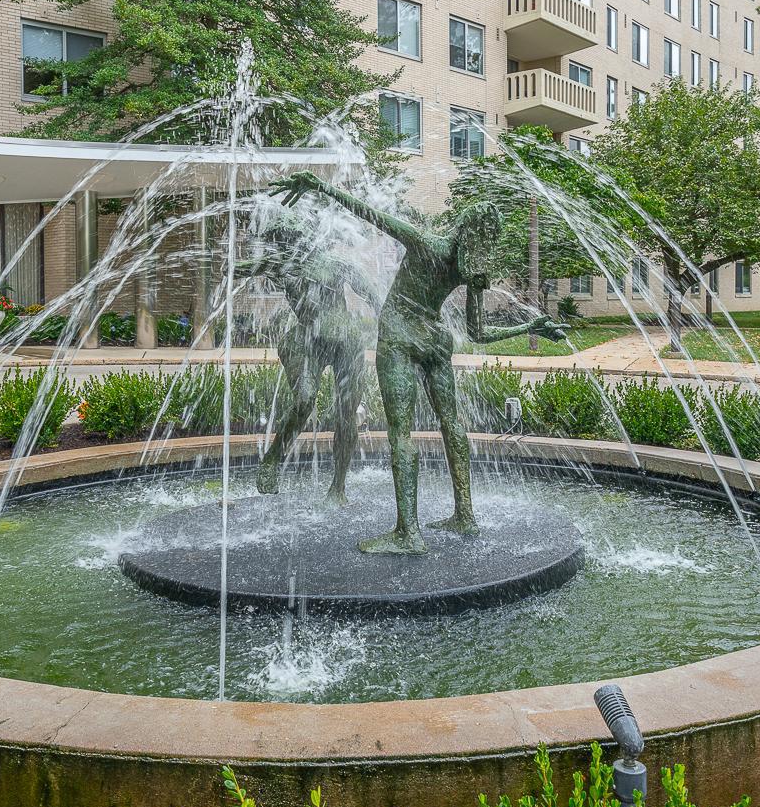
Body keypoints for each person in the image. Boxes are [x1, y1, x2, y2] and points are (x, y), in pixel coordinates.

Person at [272, 172, 565, 553]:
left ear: (459, 226)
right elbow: (477, 332)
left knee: (401, 433)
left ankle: (408, 534)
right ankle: (465, 515)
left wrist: (320, 186)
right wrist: (530, 326)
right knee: (452, 424)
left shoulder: (426, 243)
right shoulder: (469, 271)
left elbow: (368, 213)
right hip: (436, 340)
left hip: (400, 337)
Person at [236, 214, 378, 505]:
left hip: (346, 342)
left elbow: (372, 295)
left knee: (346, 413)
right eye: (283, 240)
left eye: (294, 238)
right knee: (304, 400)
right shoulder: (281, 265)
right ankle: (273, 457)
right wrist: (232, 264)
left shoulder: (336, 265)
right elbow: (236, 270)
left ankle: (337, 488)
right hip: (306, 340)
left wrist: (388, 323)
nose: (290, 244)